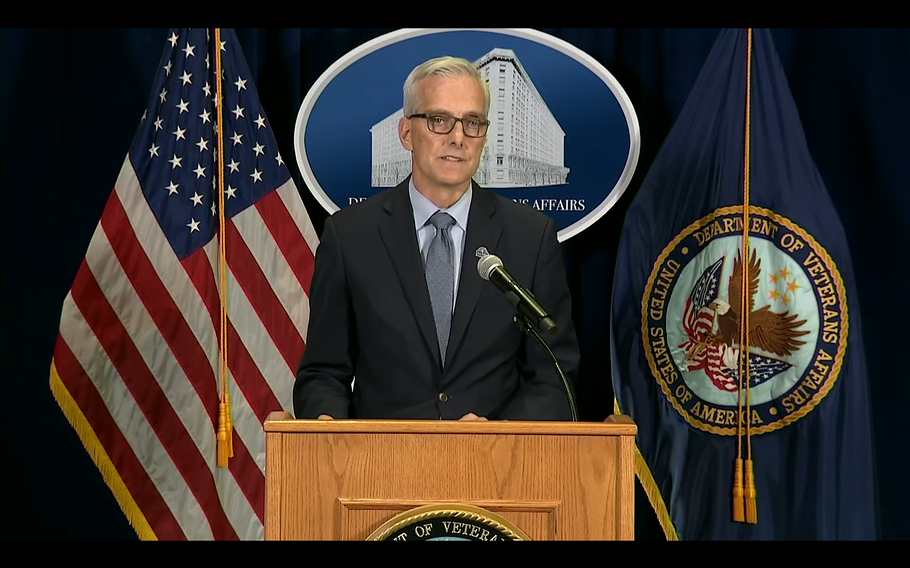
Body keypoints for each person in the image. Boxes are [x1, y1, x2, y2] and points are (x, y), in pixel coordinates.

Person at [293, 55, 580, 421]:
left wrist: (502, 434)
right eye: (439, 120)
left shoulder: (531, 237)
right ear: (406, 133)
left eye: (472, 123)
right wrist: (329, 431)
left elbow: (554, 375)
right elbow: (323, 373)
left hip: (493, 469)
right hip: (380, 467)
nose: (458, 138)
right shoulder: (350, 236)